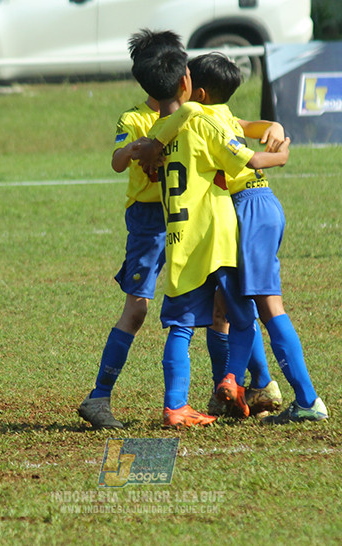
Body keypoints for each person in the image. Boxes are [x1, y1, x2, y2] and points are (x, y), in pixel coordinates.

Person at [132, 41, 311, 428]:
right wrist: (280, 153)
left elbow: (241, 126)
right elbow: (245, 158)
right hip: (221, 228)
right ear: (187, 83)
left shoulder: (158, 131)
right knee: (246, 312)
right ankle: (241, 382)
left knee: (182, 325)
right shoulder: (204, 120)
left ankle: (179, 404)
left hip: (179, 235)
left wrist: (273, 124)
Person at [77, 30, 231, 429]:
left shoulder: (194, 115)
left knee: (218, 303)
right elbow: (115, 160)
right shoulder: (135, 119)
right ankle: (99, 397)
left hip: (190, 216)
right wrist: (134, 151)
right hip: (150, 221)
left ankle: (223, 390)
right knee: (138, 309)